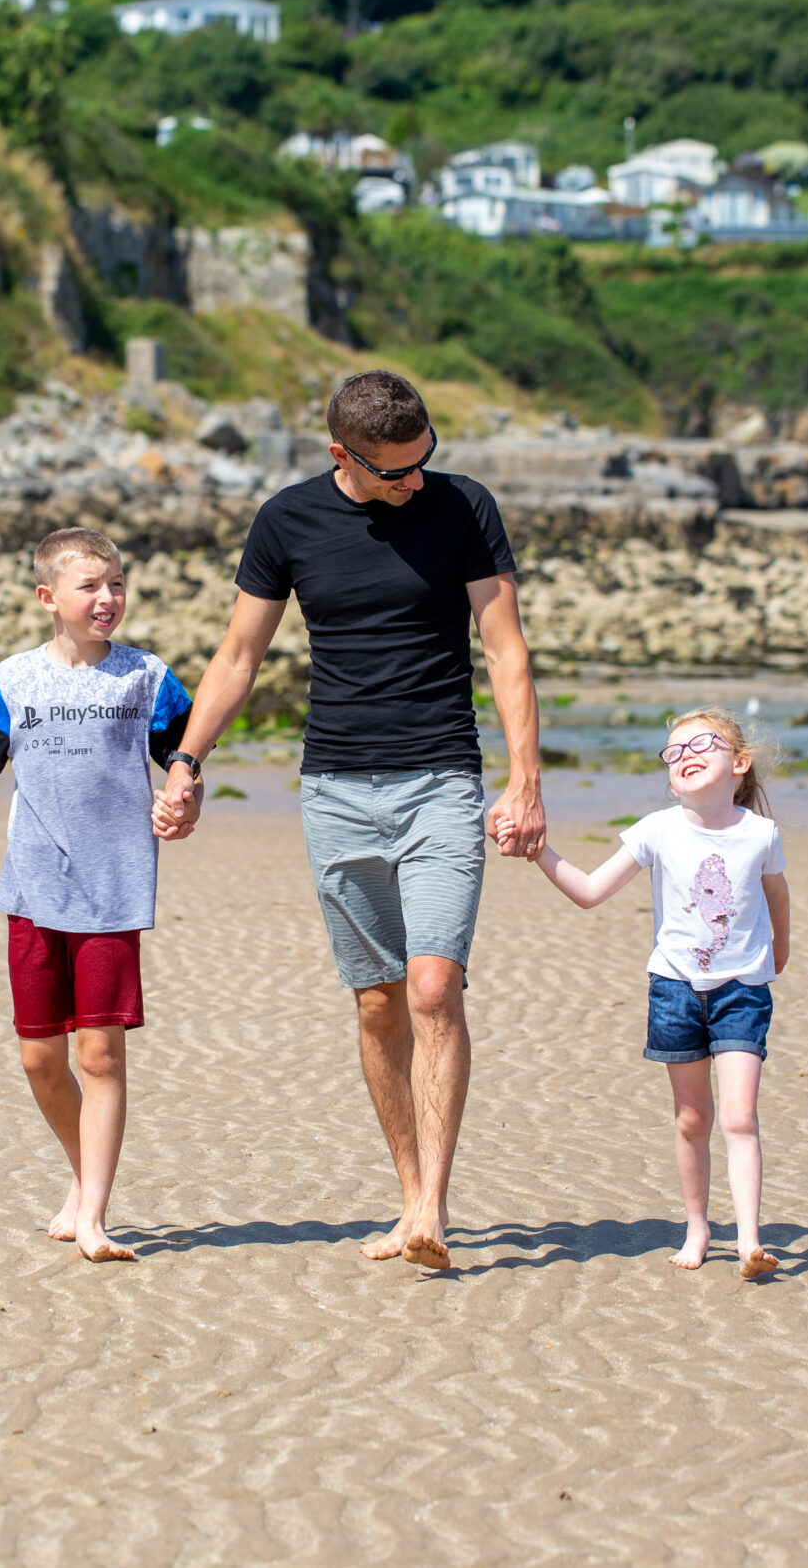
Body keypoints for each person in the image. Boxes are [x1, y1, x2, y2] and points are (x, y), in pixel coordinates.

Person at [153, 370, 545, 1271]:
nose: (416, 483)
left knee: (433, 989)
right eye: (395, 472)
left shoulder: (465, 508)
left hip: (442, 778)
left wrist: (525, 779)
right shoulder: (287, 521)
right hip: (334, 786)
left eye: (425, 463)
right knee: (376, 1002)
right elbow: (240, 654)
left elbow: (505, 645)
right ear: (342, 454)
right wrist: (187, 760)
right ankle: (408, 1193)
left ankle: (433, 1211)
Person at [0, 527, 195, 1263]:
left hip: (113, 891)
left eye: (116, 583)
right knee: (39, 1060)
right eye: (90, 586)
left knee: (101, 1055)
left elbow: (185, 758)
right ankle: (83, 1180)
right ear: (49, 597)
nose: (108, 597)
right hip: (33, 890)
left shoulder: (146, 678)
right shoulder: (13, 680)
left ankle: (95, 1217)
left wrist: (185, 797)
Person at [514, 706, 789, 1279]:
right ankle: (696, 1226)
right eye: (674, 751)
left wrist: (778, 953)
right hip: (675, 991)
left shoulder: (760, 833)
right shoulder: (658, 829)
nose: (685, 756)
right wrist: (539, 850)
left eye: (701, 745)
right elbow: (590, 891)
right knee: (692, 1117)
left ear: (739, 763)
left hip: (742, 992)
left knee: (740, 1117)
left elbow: (776, 895)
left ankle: (750, 1241)